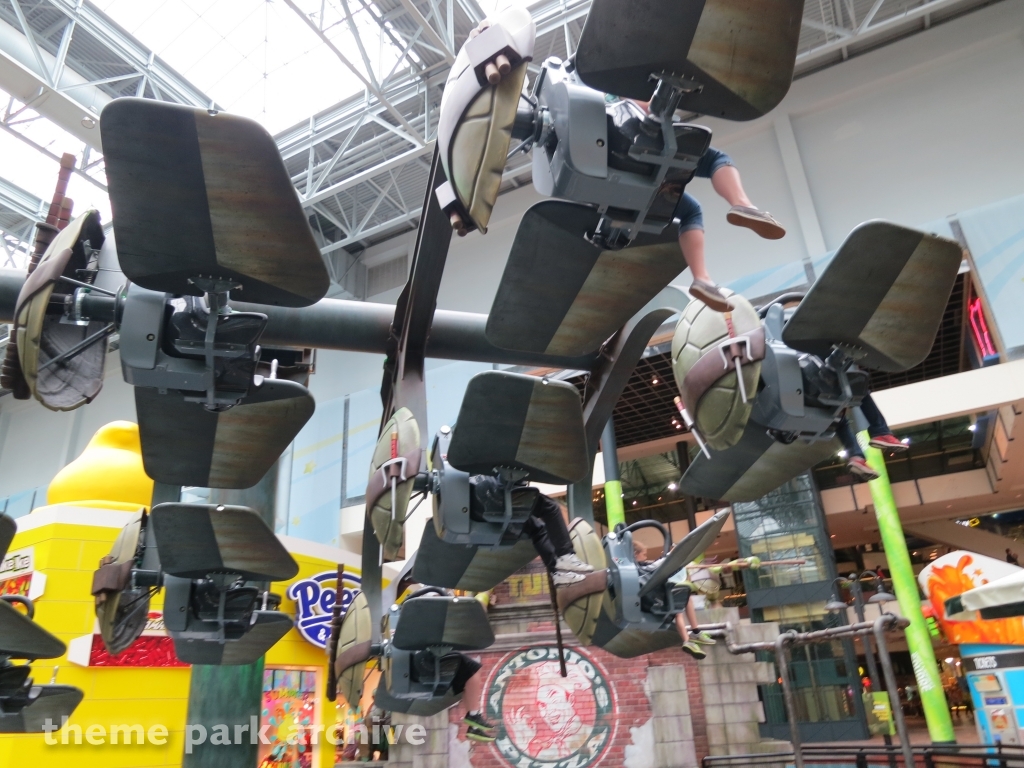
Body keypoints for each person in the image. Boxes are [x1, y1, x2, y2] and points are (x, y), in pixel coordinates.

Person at [625, 98, 786, 312]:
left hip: (623, 183)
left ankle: (704, 279)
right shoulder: (618, 91)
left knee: (691, 210)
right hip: (637, 143)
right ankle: (742, 205)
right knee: (716, 159)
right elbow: (641, 103)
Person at [470, 476, 593, 586]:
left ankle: (558, 573)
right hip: (491, 495)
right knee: (550, 507)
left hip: (479, 511)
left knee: (537, 529)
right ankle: (566, 554)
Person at [633, 540, 716, 660]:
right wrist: (670, 556)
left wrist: (668, 557)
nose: (645, 557)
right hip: (654, 602)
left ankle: (693, 634)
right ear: (636, 554)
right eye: (644, 554)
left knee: (685, 599)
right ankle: (689, 638)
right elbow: (656, 566)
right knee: (678, 609)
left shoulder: (638, 566)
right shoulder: (639, 568)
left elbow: (656, 565)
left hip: (655, 599)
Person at [833, 393, 907, 480]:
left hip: (816, 403)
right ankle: (880, 431)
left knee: (840, 422)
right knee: (861, 390)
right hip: (821, 392)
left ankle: (857, 457)